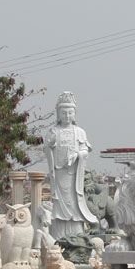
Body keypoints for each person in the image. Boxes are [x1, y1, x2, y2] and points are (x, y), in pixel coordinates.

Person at [44, 92, 98, 239]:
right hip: (59, 175)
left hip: (73, 176)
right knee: (58, 205)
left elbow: (85, 150)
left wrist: (78, 155)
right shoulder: (53, 131)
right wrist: (51, 144)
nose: (67, 116)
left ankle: (76, 235)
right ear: (58, 114)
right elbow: (47, 148)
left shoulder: (79, 132)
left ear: (74, 114)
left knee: (73, 203)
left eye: (70, 113)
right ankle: (59, 236)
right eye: (64, 113)